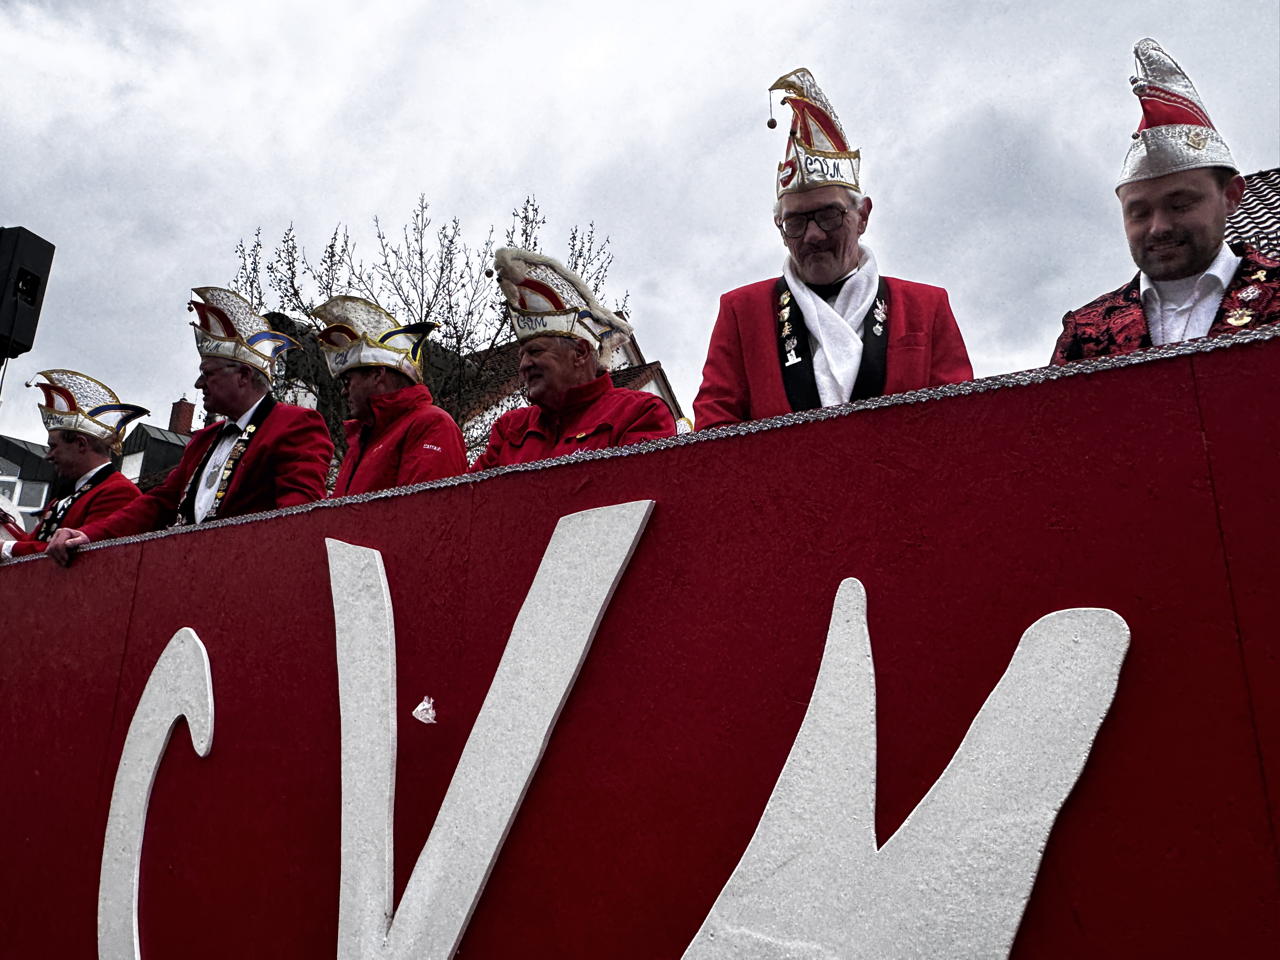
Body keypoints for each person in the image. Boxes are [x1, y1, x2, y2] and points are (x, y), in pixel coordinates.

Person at [694, 68, 972, 430]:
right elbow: (715, 434)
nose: (812, 236)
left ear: (863, 216)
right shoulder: (741, 312)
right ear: (780, 229)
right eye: (795, 222)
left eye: (828, 215)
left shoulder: (925, 306)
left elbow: (962, 422)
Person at [45, 287, 333, 565]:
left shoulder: (296, 425)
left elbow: (296, 517)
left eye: (207, 373)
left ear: (243, 375)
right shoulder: (203, 439)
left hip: (249, 576)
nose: (198, 384)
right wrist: (89, 534)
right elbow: (159, 503)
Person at [1052, 39, 1280, 364]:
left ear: (1231, 196)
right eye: (1139, 212)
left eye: (1180, 204)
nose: (1158, 227)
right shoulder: (1087, 332)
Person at [470, 248, 676, 471]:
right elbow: (468, 499)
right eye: (521, 356)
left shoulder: (639, 413)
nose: (524, 365)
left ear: (580, 353)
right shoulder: (510, 429)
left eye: (535, 352)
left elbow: (637, 497)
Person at [314, 296, 467, 495]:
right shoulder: (362, 442)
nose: (344, 391)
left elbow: (427, 516)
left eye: (347, 380)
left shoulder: (431, 425)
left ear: (377, 375)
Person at [1, 370, 146, 560]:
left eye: (53, 447)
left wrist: (7, 548)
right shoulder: (67, 496)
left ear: (80, 444)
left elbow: (76, 555)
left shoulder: (118, 492)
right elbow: (32, 544)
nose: (49, 456)